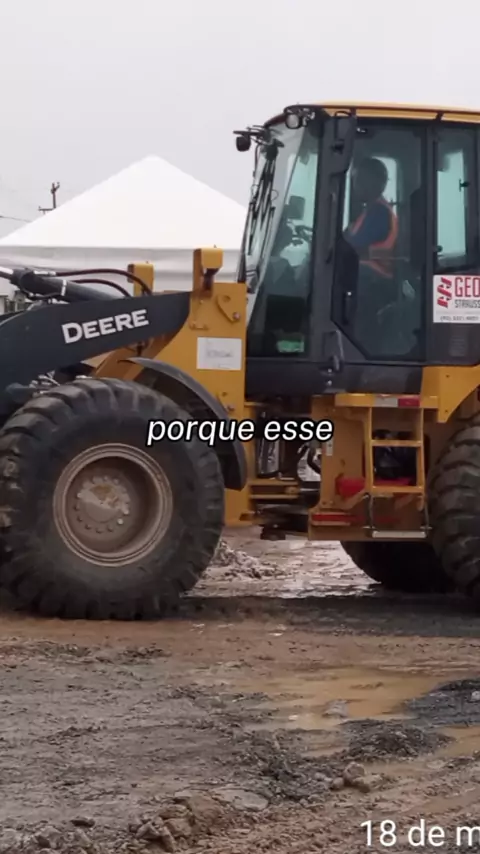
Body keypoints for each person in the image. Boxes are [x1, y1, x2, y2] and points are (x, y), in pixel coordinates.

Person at [344, 157, 398, 280]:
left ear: (371, 183)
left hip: (373, 277)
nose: (354, 185)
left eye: (358, 180)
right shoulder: (371, 210)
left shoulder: (379, 213)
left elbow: (352, 248)